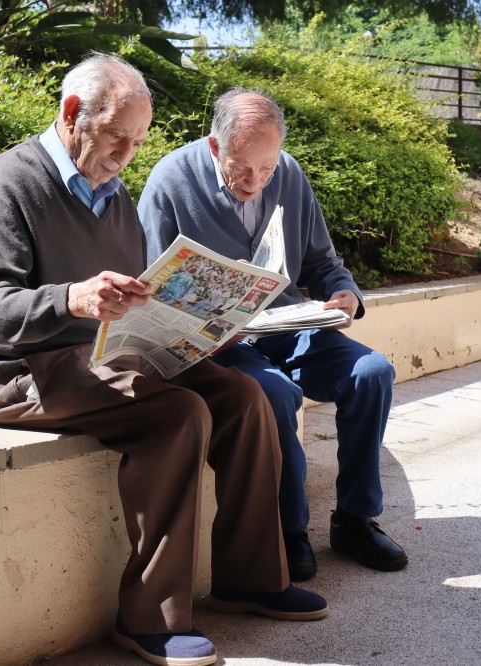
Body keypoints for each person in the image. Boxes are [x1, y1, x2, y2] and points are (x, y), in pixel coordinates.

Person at [0, 55, 327, 666]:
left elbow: (131, 295)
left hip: (110, 356)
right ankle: (149, 619)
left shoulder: (111, 193)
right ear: (73, 115)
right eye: (116, 137)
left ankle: (250, 580)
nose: (127, 154)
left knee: (243, 397)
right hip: (28, 374)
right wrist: (72, 298)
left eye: (139, 141)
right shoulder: (5, 183)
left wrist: (199, 325)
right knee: (178, 414)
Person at [138, 87, 408, 583]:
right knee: (276, 393)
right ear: (215, 147)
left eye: (267, 168)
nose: (256, 181)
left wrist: (344, 293)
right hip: (222, 342)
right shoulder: (169, 182)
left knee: (372, 372)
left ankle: (355, 519)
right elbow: (152, 294)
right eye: (242, 168)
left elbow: (323, 262)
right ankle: (289, 531)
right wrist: (220, 295)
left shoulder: (289, 173)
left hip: (285, 327)